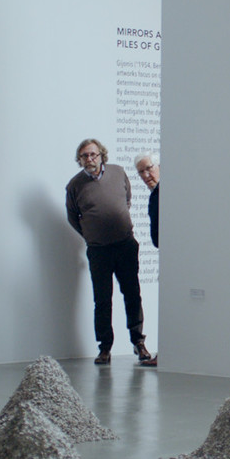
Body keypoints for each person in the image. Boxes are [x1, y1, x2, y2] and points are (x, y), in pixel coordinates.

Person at [66, 139, 156, 366]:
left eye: (93, 154)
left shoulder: (118, 172)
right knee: (103, 300)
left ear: (101, 155)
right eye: (85, 156)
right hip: (98, 251)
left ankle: (139, 342)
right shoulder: (74, 185)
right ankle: (105, 347)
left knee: (132, 294)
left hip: (125, 245)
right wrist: (91, 235)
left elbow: (127, 200)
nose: (90, 159)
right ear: (80, 160)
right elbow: (73, 218)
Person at [134, 153, 159, 248]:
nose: (146, 175)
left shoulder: (167, 193)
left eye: (149, 168)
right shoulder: (154, 194)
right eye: (141, 172)